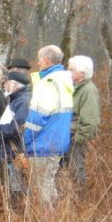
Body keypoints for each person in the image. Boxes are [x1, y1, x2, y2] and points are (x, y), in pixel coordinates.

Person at [23, 45, 74, 205]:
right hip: (58, 143)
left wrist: (25, 140)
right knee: (49, 183)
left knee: (39, 188)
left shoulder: (48, 83)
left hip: (42, 144)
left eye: (39, 59)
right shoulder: (65, 81)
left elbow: (37, 118)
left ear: (45, 60)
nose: (38, 63)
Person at [0, 69, 31, 204]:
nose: (4, 85)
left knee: (14, 187)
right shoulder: (14, 100)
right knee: (4, 186)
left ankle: (15, 219)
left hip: (11, 152)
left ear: (15, 84)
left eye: (6, 82)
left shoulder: (22, 102)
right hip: (4, 150)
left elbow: (15, 129)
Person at [63, 55, 101, 188]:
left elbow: (91, 122)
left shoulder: (88, 91)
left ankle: (80, 199)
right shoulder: (73, 87)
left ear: (81, 74)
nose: (68, 72)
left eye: (71, 69)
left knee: (76, 171)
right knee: (63, 172)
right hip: (66, 137)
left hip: (75, 140)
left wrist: (77, 139)